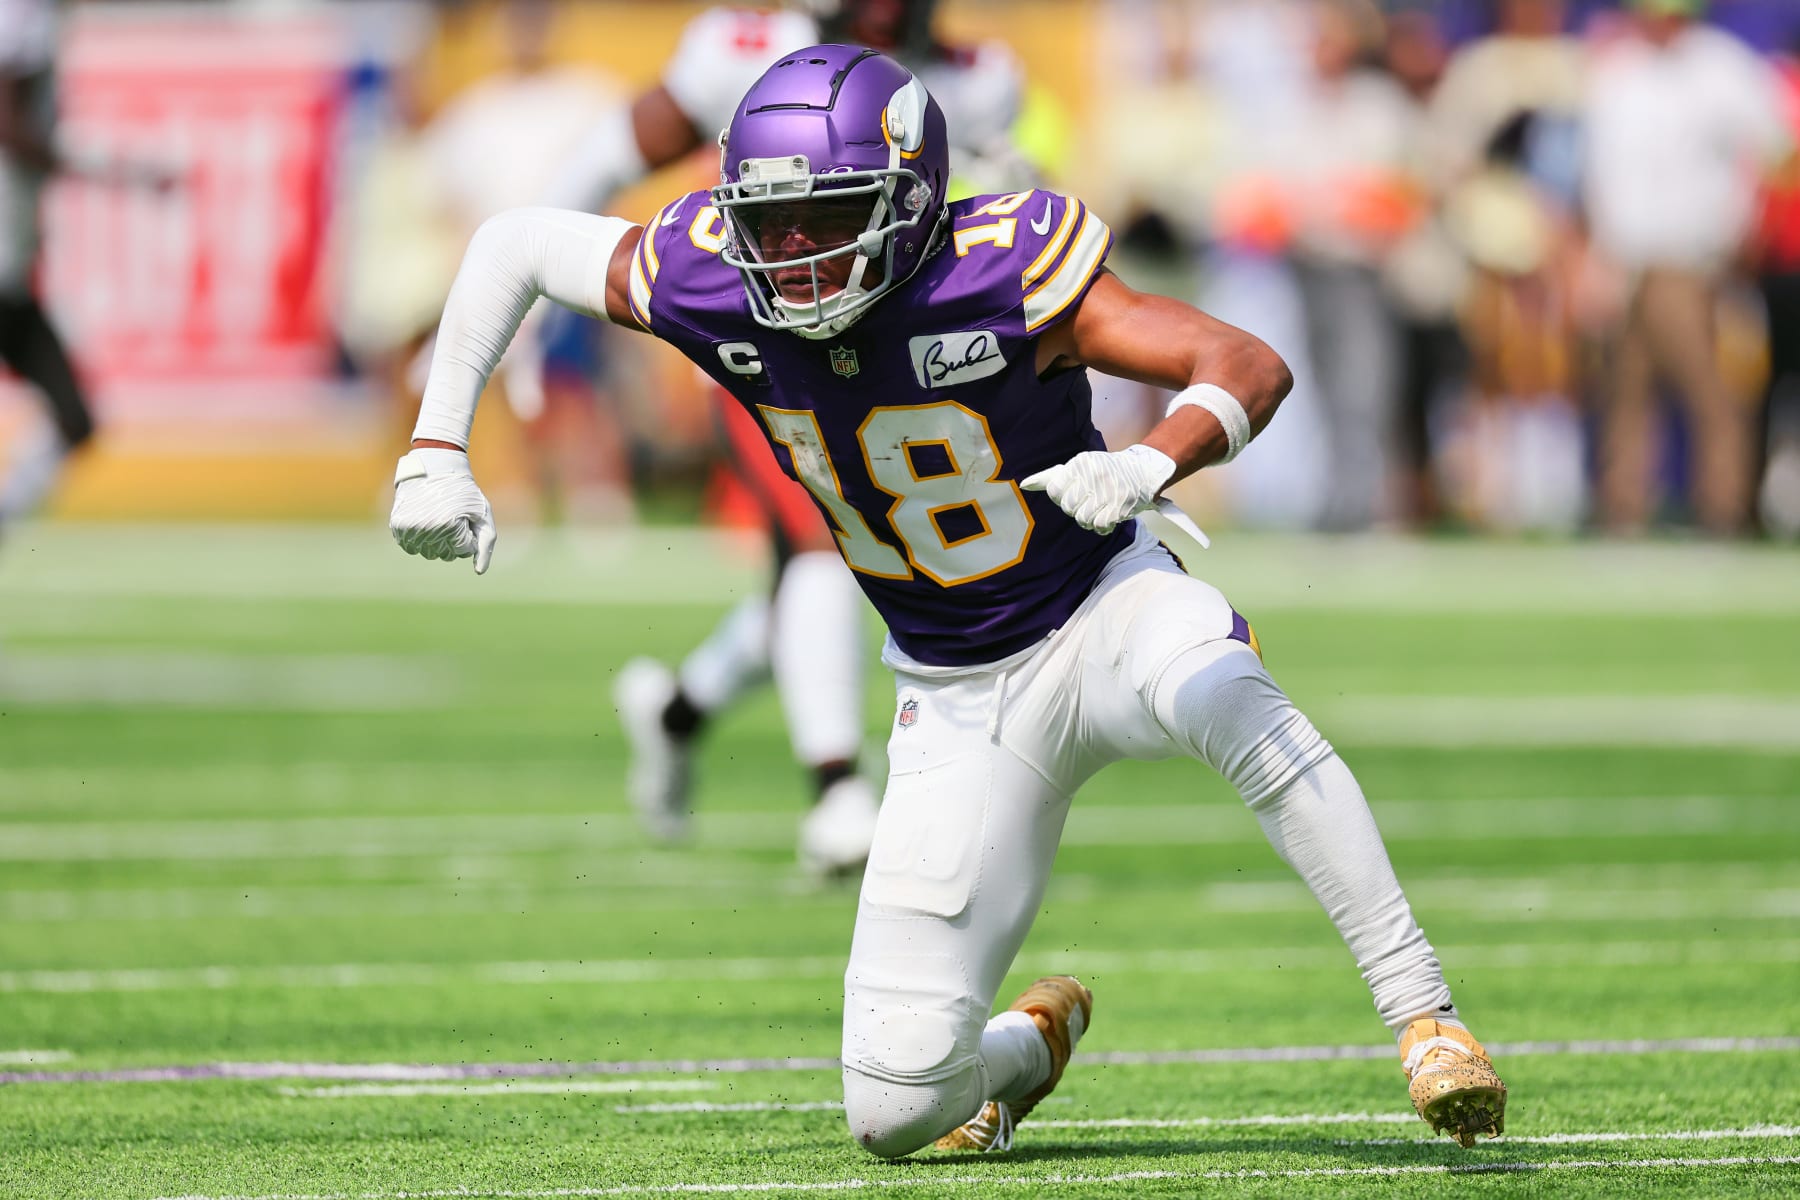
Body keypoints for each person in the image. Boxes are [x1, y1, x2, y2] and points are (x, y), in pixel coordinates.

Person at [389, 44, 1508, 1158]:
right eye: (765, 223)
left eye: (824, 218)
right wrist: (436, 446)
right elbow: (517, 243)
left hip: (1097, 610)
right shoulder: (710, 275)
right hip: (950, 695)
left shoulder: (999, 263)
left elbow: (1243, 361)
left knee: (1225, 692)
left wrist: (1152, 463)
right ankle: (1023, 1055)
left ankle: (1426, 1020)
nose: (790, 255)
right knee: (894, 1118)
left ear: (908, 200)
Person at [537, 0, 1028, 873]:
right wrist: (538, 302)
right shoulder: (750, 50)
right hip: (767, 335)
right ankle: (836, 787)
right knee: (820, 553)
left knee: (876, 558)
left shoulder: (980, 77)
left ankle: (678, 711)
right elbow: (609, 152)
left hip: (899, 354)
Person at [1583, 0, 1795, 535]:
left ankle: (1722, 510)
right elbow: (1598, 169)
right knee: (1627, 393)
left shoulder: (1723, 68)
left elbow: (1778, 150)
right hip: (1623, 261)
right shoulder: (1618, 70)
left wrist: (1745, 232)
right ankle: (1624, 511)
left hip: (1689, 261)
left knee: (1710, 392)